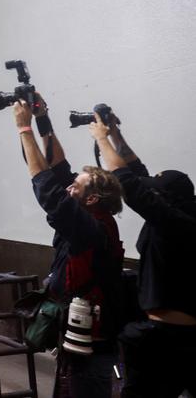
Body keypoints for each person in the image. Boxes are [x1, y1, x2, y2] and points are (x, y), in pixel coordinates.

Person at [13, 96, 124, 398]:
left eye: (76, 186)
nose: (68, 186)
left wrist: (24, 129)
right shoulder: (91, 217)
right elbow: (59, 169)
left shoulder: (91, 228)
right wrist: (42, 119)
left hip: (92, 345)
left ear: (91, 199)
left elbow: (49, 190)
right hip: (78, 338)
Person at [89, 115, 196, 398]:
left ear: (167, 199)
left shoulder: (176, 224)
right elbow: (137, 174)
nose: (152, 195)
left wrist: (101, 138)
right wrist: (116, 134)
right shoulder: (179, 215)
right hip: (172, 334)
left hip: (166, 337)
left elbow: (131, 186)